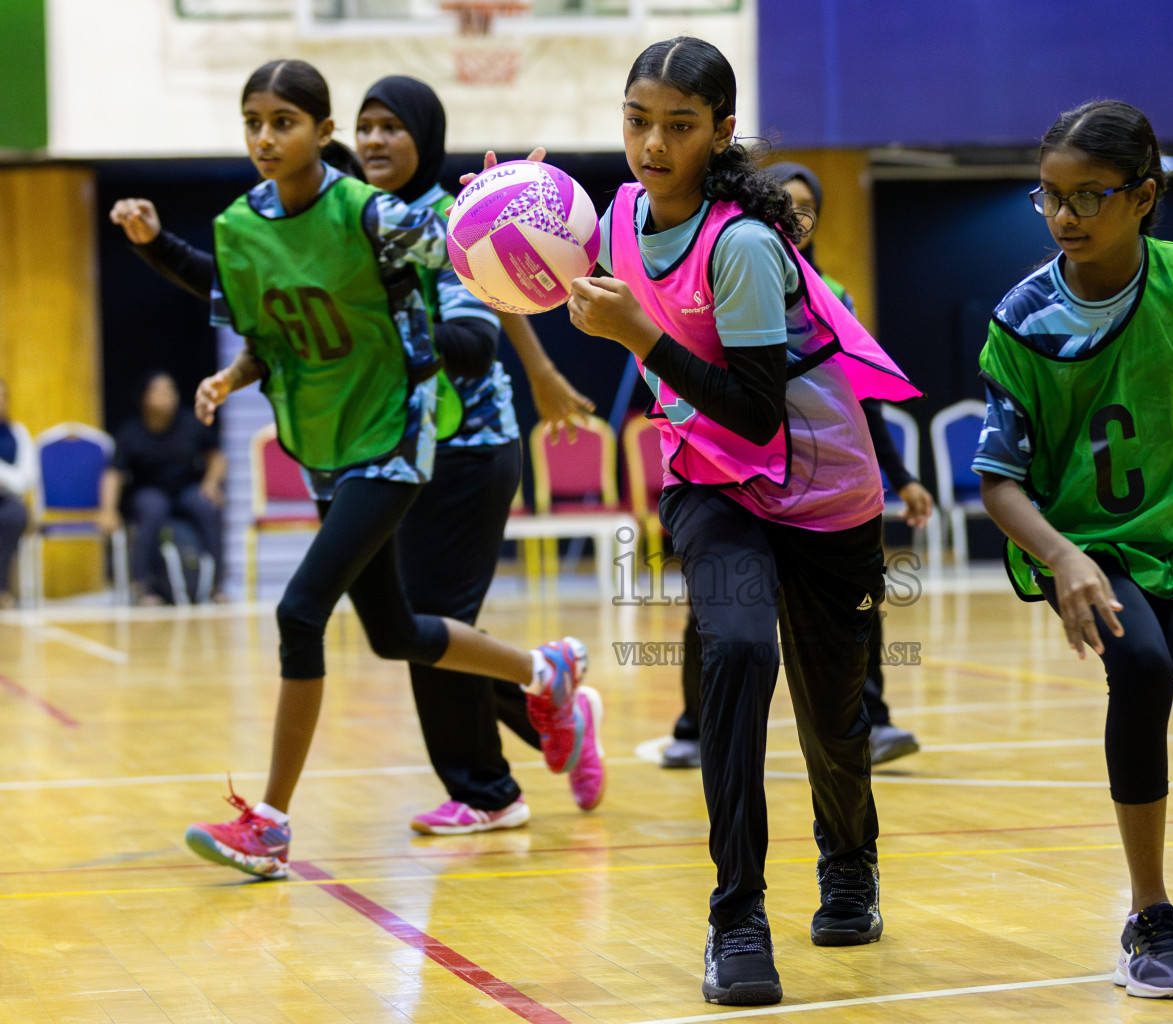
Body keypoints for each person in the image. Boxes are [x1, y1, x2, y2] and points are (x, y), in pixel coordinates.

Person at [128, 58, 589, 881]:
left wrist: (514, 203)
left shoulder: (373, 217)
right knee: (395, 634)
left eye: (284, 122)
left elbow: (464, 262)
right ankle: (542, 672)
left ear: (320, 131)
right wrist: (224, 363)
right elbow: (254, 319)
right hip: (327, 448)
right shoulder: (245, 226)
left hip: (404, 444)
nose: (266, 138)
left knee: (301, 612)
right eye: (253, 123)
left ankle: (270, 824)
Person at [553, 35, 920, 1005]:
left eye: (679, 126)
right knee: (739, 653)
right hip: (708, 484)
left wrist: (637, 338)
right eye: (637, 121)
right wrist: (508, 220)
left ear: (719, 134)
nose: (652, 144)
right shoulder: (623, 215)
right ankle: (736, 915)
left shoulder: (746, 246)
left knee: (834, 718)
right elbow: (546, 263)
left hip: (819, 489)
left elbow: (754, 409)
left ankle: (847, 863)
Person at [974, 100, 1173, 1000]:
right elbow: (997, 482)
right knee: (1143, 670)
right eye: (1048, 197)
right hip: (1077, 546)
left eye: (1089, 195)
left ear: (1144, 196)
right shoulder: (1024, 318)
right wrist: (1063, 558)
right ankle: (1149, 917)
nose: (1065, 216)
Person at [660, 161, 931, 770]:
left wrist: (904, 478)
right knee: (720, 609)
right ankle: (693, 726)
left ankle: (874, 720)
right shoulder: (715, 267)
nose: (792, 216)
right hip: (725, 471)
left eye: (804, 208)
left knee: (858, 603)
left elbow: (860, 400)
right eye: (781, 202)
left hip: (817, 482)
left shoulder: (833, 296)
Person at [97, 372, 227, 605]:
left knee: (206, 506)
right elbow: (113, 474)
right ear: (145, 398)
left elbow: (216, 457)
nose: (167, 396)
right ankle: (142, 585)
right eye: (159, 391)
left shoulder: (191, 423)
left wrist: (210, 483)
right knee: (152, 507)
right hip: (148, 490)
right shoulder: (131, 432)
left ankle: (215, 586)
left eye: (171, 391)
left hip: (186, 489)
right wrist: (107, 509)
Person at [0, 379, 35, 609]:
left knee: (15, 514)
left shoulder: (17, 434)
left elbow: (24, 481)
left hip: (6, 501)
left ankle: (1, 588)